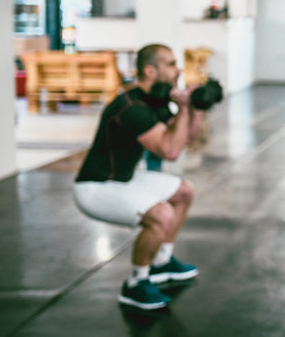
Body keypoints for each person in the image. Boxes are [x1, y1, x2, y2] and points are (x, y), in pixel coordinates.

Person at [73, 44, 205, 311]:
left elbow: (187, 139)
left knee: (183, 192)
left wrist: (194, 108)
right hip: (95, 188)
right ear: (149, 70)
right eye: (170, 64)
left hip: (123, 179)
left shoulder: (152, 102)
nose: (177, 69)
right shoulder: (131, 108)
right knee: (161, 214)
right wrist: (182, 109)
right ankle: (136, 285)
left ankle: (161, 263)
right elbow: (169, 150)